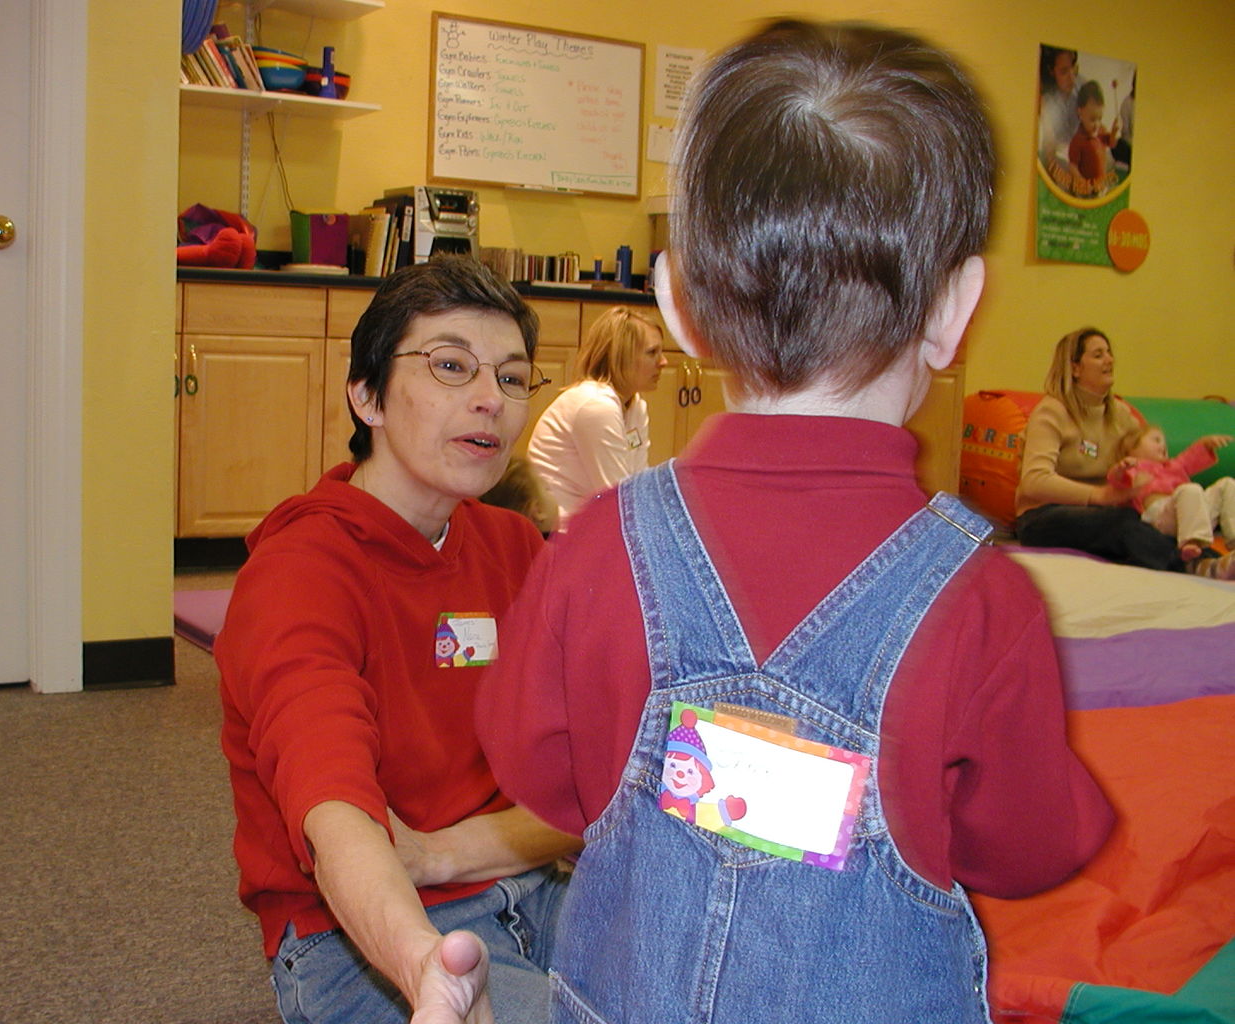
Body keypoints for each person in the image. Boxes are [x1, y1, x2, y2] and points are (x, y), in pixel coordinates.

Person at [473, 19, 1114, 1024]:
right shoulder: (984, 598)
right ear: (957, 310)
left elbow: (536, 773)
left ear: (677, 305)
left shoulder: (595, 549)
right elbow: (1028, 843)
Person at [215, 256, 579, 1024]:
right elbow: (331, 797)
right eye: (450, 366)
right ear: (368, 395)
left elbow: (595, 771)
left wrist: (444, 851)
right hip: (363, 939)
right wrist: (423, 968)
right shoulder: (300, 570)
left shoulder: (512, 546)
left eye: (512, 379)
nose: (490, 401)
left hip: (537, 889)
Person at [1015, 327, 1227, 576]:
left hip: (1102, 508)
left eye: (1109, 353)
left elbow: (1153, 465)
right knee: (1122, 522)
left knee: (1153, 519)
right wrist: (1100, 495)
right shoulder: (1051, 412)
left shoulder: (1121, 415)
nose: (1109, 360)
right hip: (1044, 515)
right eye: (1098, 355)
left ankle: (1213, 561)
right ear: (1074, 368)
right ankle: (1194, 567)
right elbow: (1034, 481)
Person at [526, 306, 668, 525]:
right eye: (652, 353)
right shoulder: (595, 405)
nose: (664, 362)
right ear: (622, 357)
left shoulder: (635, 405)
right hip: (555, 531)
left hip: (586, 525)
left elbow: (636, 483)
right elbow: (617, 498)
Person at [1107, 424, 1235, 576]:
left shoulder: (1173, 466)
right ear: (1131, 447)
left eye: (1164, 442)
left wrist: (1206, 444)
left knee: (1227, 484)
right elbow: (1117, 482)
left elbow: (1190, 457)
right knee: (1190, 489)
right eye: (1156, 440)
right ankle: (1192, 542)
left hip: (1192, 513)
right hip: (1163, 515)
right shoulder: (1136, 467)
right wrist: (1121, 469)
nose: (1163, 445)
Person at [1067, 80, 1119, 194]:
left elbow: (1112, 144)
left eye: (1100, 118)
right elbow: (1072, 166)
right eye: (1092, 119)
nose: (1097, 124)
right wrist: (1081, 182)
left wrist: (1114, 132)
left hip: (1099, 185)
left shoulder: (1101, 130)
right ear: (1080, 113)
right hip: (1084, 189)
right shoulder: (1077, 140)